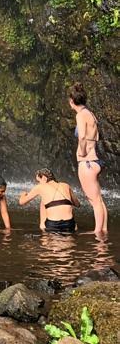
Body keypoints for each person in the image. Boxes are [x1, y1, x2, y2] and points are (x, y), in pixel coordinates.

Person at [68, 82, 109, 237]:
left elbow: (83, 136)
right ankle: (103, 229)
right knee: (99, 199)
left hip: (87, 163)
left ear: (72, 100)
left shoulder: (80, 115)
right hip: (95, 161)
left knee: (94, 201)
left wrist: (82, 152)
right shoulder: (91, 114)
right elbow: (96, 136)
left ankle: (97, 231)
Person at [19, 168, 79, 233]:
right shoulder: (66, 185)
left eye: (39, 181)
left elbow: (22, 202)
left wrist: (23, 194)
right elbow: (77, 204)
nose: (38, 183)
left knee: (44, 201)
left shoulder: (40, 187)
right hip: (69, 223)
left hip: (53, 224)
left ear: (44, 178)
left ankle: (43, 227)